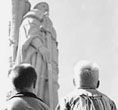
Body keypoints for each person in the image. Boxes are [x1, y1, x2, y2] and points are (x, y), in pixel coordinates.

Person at [15, 2, 59, 109]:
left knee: (47, 88)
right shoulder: (31, 17)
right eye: (44, 6)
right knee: (35, 81)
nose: (46, 9)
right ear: (36, 7)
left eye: (48, 7)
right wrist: (41, 47)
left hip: (48, 62)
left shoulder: (48, 24)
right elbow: (30, 34)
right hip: (35, 56)